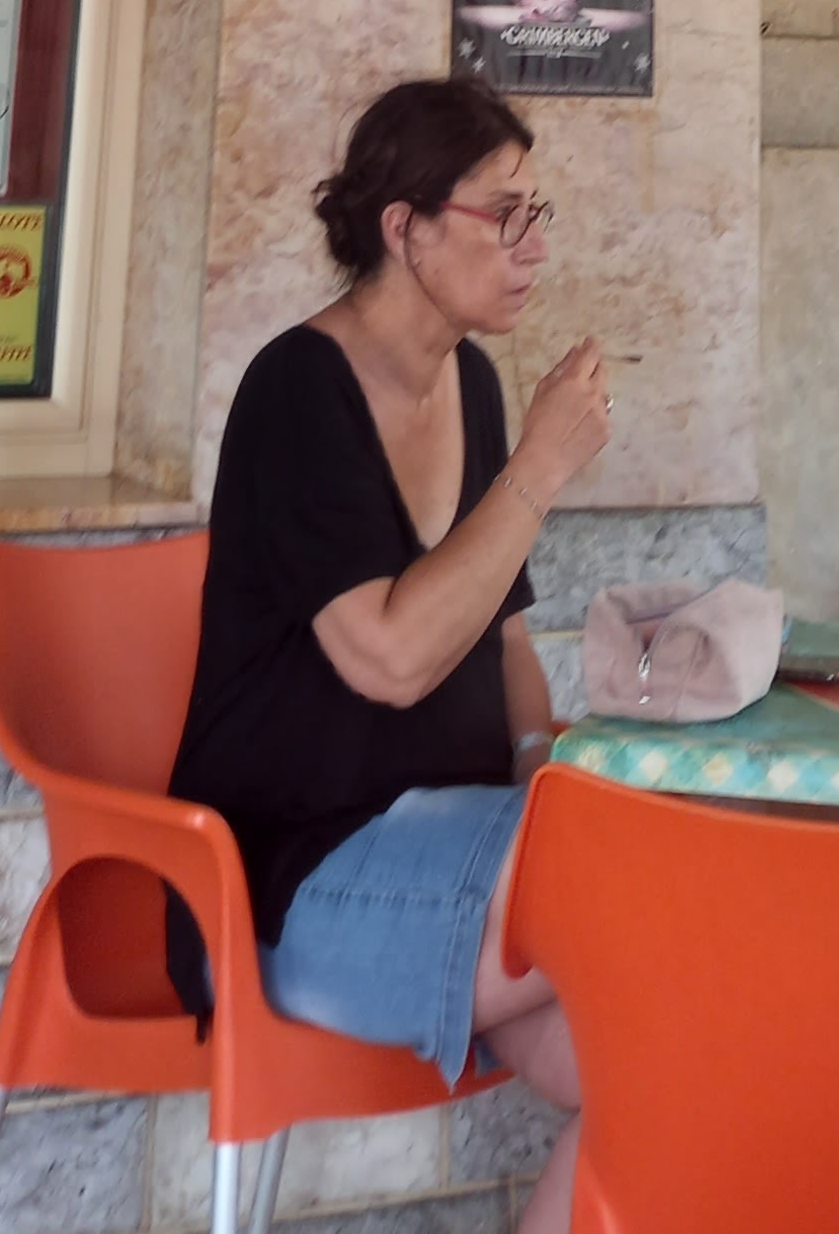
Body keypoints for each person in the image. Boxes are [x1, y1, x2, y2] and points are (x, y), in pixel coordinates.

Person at [169, 76, 609, 1234]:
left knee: (681, 1058)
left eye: (537, 211)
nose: (533, 244)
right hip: (291, 885)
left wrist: (540, 763)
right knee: (641, 883)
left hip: (460, 848)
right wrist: (539, 472)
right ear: (405, 228)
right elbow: (391, 658)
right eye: (504, 213)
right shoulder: (296, 389)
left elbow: (504, 635)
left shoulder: (473, 381)